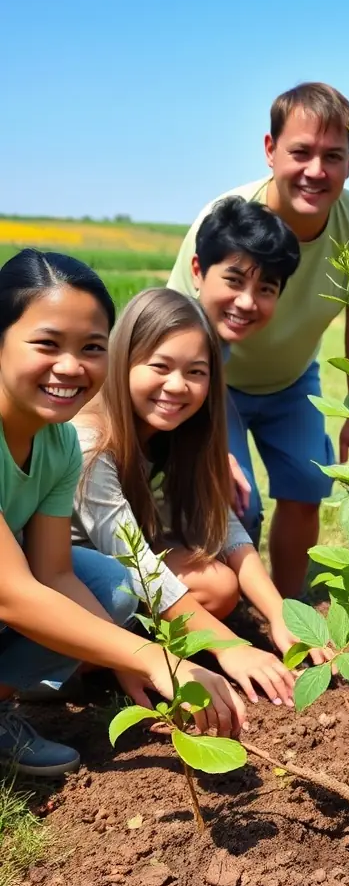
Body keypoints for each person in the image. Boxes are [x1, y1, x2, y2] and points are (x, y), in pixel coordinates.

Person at [0, 250, 246, 777]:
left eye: (91, 347)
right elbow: (12, 595)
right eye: (47, 344)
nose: (70, 367)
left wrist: (121, 654)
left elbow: (55, 573)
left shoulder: (60, 444)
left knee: (112, 586)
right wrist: (153, 657)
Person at [168, 82, 349, 598]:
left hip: (292, 380)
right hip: (215, 378)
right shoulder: (225, 220)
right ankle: (229, 607)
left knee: (307, 486)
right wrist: (202, 435)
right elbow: (178, 329)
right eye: (301, 152)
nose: (316, 170)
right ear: (271, 150)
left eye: (333, 156)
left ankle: (289, 608)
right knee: (235, 500)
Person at [72, 287, 327, 708]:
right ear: (123, 361)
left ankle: (129, 660)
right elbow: (134, 562)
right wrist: (230, 647)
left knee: (218, 585)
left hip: (111, 576)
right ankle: (72, 671)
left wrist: (280, 611)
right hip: (63, 586)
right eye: (160, 366)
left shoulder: (178, 435)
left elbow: (223, 527)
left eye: (196, 372)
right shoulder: (90, 441)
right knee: (123, 593)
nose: (177, 386)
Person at [186, 195, 299, 518]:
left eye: (266, 289)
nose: (247, 303)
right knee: (234, 504)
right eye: (234, 281)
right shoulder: (177, 336)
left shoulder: (215, 343)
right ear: (198, 270)